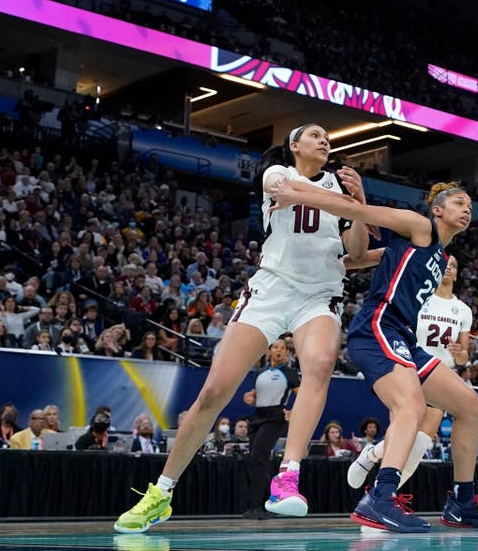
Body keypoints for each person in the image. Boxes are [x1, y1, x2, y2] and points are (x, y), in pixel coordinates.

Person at [114, 124, 371, 533]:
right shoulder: (276, 173)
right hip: (270, 290)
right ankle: (160, 493)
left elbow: (356, 252)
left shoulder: (340, 188)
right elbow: (290, 193)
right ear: (294, 145)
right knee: (213, 391)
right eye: (316, 136)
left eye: (328, 138)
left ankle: (288, 476)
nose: (325, 141)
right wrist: (348, 203)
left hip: (319, 295)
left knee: (320, 366)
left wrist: (359, 202)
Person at [267, 179, 478, 533]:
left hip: (403, 338)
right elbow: (355, 211)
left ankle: (462, 502)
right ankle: (380, 498)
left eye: (470, 205)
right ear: (438, 209)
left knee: (469, 405)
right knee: (410, 406)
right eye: (459, 202)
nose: (467, 209)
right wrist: (297, 195)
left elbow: (359, 259)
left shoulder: (438, 255)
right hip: (377, 327)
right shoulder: (420, 226)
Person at [346, 255, 474, 493]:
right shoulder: (420, 299)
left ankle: (376, 488)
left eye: (454, 265)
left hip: (440, 377)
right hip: (409, 369)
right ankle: (379, 493)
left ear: (457, 274)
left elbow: (464, 357)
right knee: (405, 436)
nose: (448, 267)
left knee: (418, 446)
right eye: (445, 262)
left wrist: (460, 353)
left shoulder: (463, 310)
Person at [241, 338, 300, 519]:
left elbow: (305, 396)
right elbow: (255, 396)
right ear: (269, 351)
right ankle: (266, 503)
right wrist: (249, 398)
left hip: (275, 418)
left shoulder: (290, 373)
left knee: (258, 456)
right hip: (258, 416)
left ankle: (258, 506)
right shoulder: (259, 372)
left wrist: (293, 412)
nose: (279, 351)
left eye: (283, 348)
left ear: (286, 353)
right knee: (255, 461)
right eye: (275, 347)